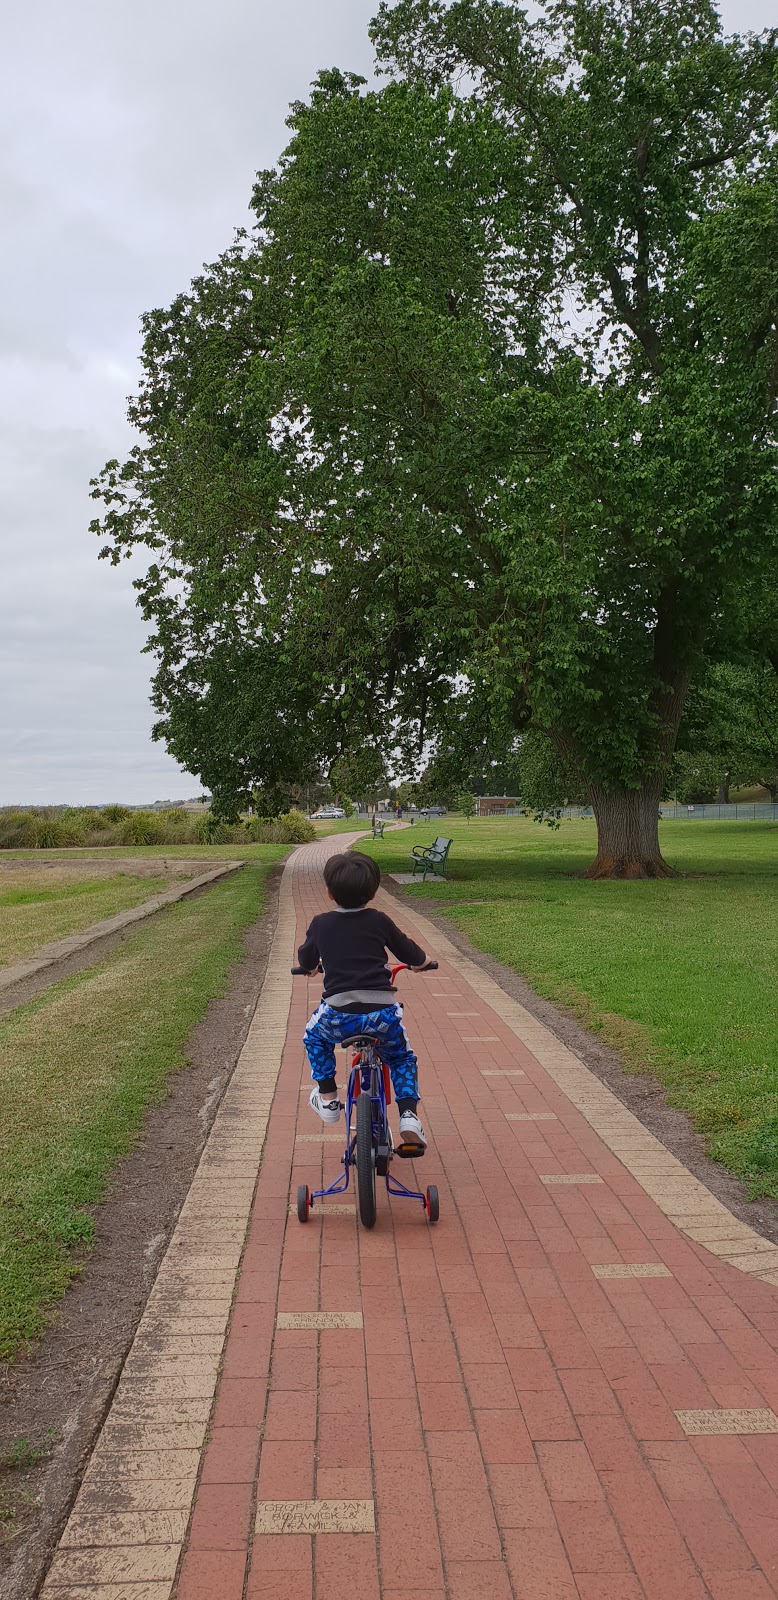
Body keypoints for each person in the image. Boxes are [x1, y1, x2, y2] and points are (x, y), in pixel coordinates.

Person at [297, 852, 429, 1149]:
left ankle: (329, 1098)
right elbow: (408, 952)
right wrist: (422, 962)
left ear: (329, 893)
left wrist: (309, 968)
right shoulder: (379, 921)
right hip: (382, 1013)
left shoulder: (321, 924)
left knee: (313, 1037)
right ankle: (408, 1116)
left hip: (338, 1014)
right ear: (372, 893)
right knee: (402, 1057)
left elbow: (306, 959)